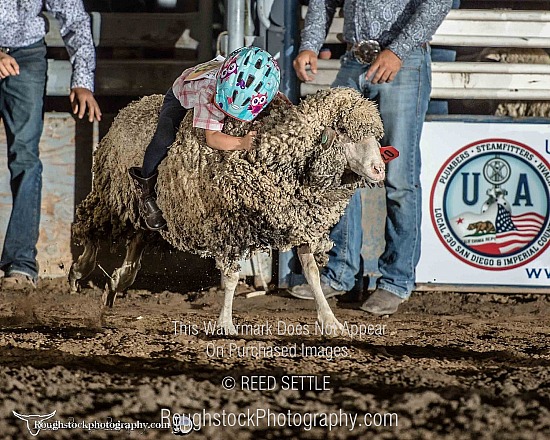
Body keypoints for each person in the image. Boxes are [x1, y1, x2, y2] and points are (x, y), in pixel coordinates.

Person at [291, 0, 452, 315]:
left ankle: (395, 281)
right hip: (355, 60)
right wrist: (310, 45)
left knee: (399, 178)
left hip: (402, 62)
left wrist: (398, 50)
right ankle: (340, 271)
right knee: (339, 170)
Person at [0, 0, 102, 289]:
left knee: (26, 158)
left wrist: (82, 81)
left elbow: (75, 20)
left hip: (26, 55)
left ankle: (20, 265)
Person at [129, 46, 281, 230]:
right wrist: (241, 143)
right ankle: (145, 191)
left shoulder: (264, 88)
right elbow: (212, 138)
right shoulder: (208, 93)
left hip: (225, 83)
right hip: (180, 95)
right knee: (164, 137)